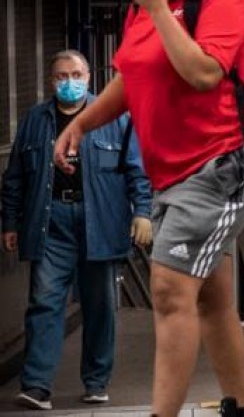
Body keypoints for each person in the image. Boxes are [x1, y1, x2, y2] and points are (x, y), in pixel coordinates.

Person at [52, 0, 244, 417]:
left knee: (171, 291)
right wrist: (81, 122)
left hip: (221, 164)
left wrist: (158, 7)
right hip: (171, 171)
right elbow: (130, 78)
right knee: (214, 296)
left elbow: (202, 73)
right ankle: (242, 408)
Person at [1, 50, 152, 411]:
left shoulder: (115, 117)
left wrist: (142, 212)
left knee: (99, 305)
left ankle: (97, 382)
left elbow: (137, 170)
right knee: (44, 302)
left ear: (89, 77)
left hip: (101, 221)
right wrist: (10, 221)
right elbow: (16, 177)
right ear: (51, 81)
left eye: (76, 74)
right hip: (50, 222)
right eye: (61, 76)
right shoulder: (34, 121)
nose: (69, 82)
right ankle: (37, 386)